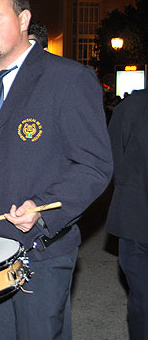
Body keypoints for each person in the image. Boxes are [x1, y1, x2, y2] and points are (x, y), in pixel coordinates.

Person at [0, 0, 112, 340]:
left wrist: (44, 208)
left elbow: (94, 164)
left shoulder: (67, 79)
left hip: (38, 247)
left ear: (23, 19)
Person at [106, 89, 148, 339]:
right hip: (136, 218)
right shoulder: (134, 106)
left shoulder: (133, 106)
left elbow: (113, 161)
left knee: (143, 299)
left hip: (136, 215)